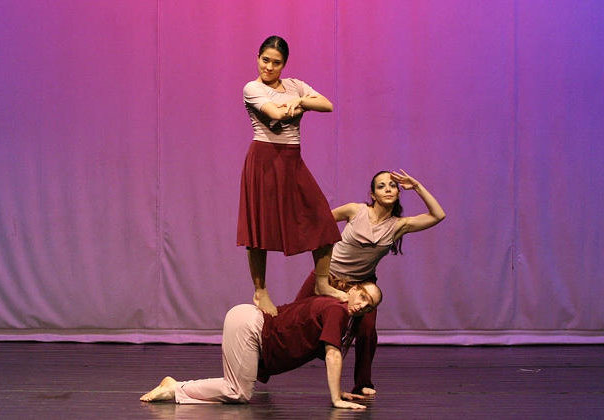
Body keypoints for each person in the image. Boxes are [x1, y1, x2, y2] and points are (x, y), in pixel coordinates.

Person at [293, 169, 445, 395]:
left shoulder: (398, 225)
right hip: (328, 277)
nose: (388, 189)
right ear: (372, 194)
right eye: (382, 186)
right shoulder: (355, 210)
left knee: (366, 331)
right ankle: (262, 367)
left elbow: (438, 215)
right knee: (294, 321)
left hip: (361, 286)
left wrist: (417, 186)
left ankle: (363, 382)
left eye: (392, 185)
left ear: (398, 192)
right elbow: (320, 221)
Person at [140, 282, 382, 410]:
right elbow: (333, 354)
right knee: (238, 392)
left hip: (248, 322)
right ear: (352, 289)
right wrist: (336, 399)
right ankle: (175, 387)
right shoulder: (337, 310)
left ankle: (176, 387)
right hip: (251, 327)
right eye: (361, 296)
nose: (361, 305)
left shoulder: (333, 308)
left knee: (237, 389)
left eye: (369, 306)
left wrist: (337, 390)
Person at [237, 35, 343, 317]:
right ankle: (260, 291)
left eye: (276, 63)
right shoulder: (252, 88)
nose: (269, 67)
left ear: (284, 64)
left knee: (322, 218)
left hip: (292, 159)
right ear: (257, 57)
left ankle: (322, 282)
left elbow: (328, 105)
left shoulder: (295, 85)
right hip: (264, 158)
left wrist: (299, 101)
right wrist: (300, 104)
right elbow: (275, 113)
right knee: (259, 229)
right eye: (265, 60)